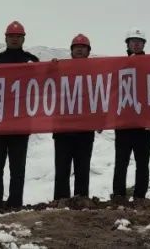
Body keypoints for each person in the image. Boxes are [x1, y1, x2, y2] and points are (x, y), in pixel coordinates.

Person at [0, 20, 39, 209]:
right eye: (11, 36)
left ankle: (15, 203)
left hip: (20, 124)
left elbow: (45, 84)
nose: (14, 39)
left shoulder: (32, 61)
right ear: (6, 38)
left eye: (18, 36)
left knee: (17, 168)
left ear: (23, 39)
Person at [53, 34, 96, 200]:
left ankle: (81, 200)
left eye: (83, 47)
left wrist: (101, 121)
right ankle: (60, 201)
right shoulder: (61, 69)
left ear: (88, 51)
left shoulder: (95, 72)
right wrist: (51, 67)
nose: (79, 50)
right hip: (63, 129)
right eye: (76, 47)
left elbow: (101, 96)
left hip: (85, 130)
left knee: (82, 168)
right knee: (61, 169)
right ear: (71, 50)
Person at [113, 28, 150, 200]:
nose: (136, 44)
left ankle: (140, 197)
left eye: (139, 41)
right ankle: (118, 195)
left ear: (144, 44)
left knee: (142, 163)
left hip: (144, 124)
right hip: (123, 122)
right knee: (121, 162)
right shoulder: (118, 65)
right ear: (128, 44)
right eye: (133, 41)